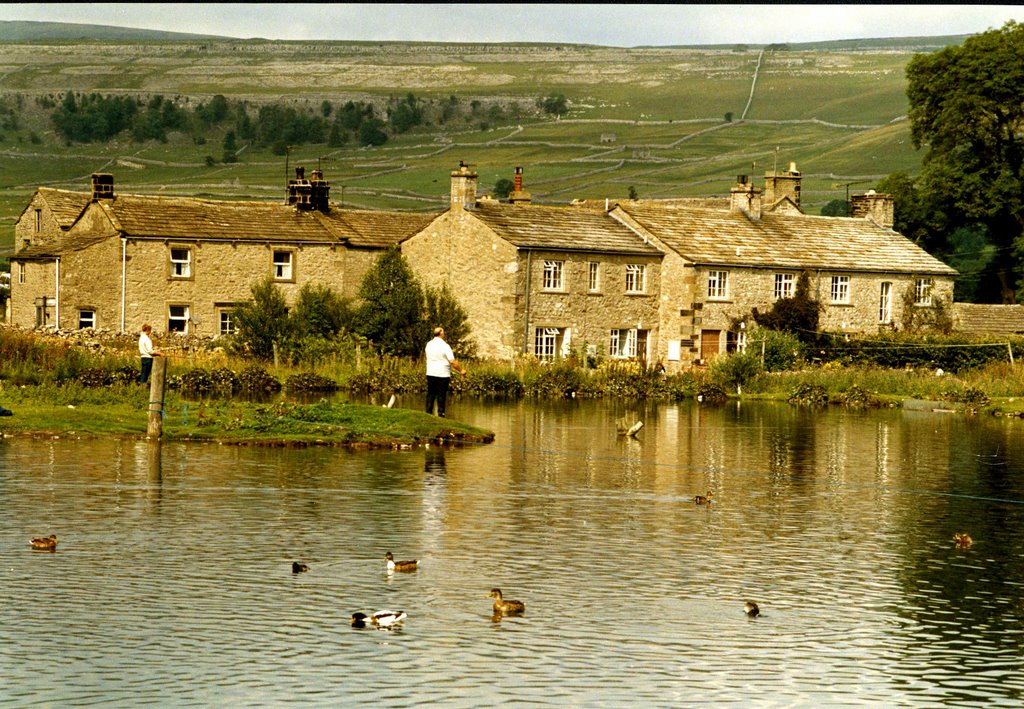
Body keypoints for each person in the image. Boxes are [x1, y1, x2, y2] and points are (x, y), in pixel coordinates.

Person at [425, 326, 465, 417]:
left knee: (431, 393)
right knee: (441, 394)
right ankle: (441, 413)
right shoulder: (445, 346)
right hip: (442, 374)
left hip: (430, 372)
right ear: (441, 333)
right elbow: (452, 361)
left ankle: (428, 413)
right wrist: (461, 370)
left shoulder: (429, 344)